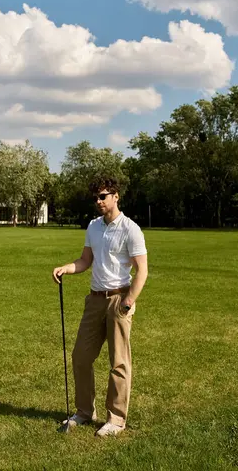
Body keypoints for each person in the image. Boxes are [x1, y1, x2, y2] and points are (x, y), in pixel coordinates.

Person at [52, 177, 148, 437]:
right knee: (80, 357)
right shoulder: (93, 227)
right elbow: (85, 260)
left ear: (116, 196)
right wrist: (67, 268)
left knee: (119, 363)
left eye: (103, 196)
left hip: (119, 299)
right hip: (94, 299)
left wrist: (128, 302)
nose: (98, 201)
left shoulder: (131, 229)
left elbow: (142, 270)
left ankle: (116, 420)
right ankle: (84, 412)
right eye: (95, 197)